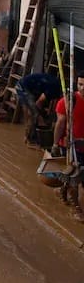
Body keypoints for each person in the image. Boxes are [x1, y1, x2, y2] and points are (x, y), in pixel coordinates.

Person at [52, 71, 84, 220]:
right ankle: (76, 207)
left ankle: (62, 190)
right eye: (80, 84)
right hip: (70, 145)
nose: (83, 88)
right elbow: (60, 124)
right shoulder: (67, 102)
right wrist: (55, 144)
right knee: (75, 175)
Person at [16, 73, 62, 146]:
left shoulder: (56, 89)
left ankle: (32, 135)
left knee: (36, 114)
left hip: (33, 87)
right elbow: (39, 103)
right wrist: (42, 119)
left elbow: (53, 106)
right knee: (33, 114)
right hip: (23, 87)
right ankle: (29, 139)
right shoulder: (53, 88)